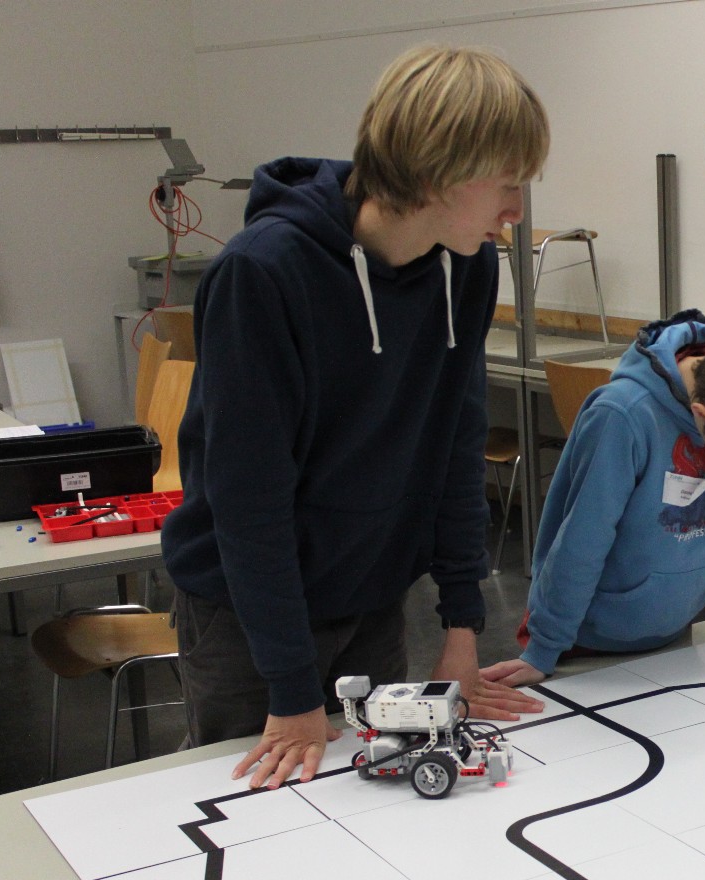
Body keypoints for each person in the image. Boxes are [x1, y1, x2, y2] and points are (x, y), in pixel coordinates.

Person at [161, 44, 546, 790]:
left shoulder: (467, 265)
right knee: (258, 814)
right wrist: (290, 689)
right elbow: (248, 500)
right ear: (437, 172)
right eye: (507, 183)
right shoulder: (262, 272)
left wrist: (461, 628)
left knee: (374, 802)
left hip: (370, 602)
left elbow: (455, 447)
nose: (516, 210)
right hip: (251, 622)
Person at [481, 311, 705, 686]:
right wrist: (544, 648)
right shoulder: (623, 416)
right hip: (581, 642)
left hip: (672, 639)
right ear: (701, 415)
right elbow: (582, 542)